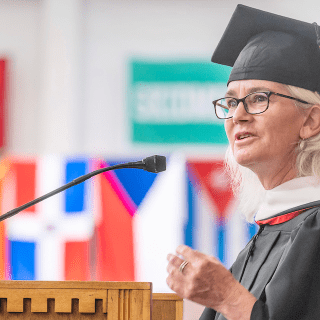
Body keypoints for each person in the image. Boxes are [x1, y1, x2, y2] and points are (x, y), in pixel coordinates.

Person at [166, 4, 320, 320]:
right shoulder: (268, 231)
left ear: (311, 119)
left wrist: (229, 298)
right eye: (232, 101)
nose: (238, 115)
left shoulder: (314, 228)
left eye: (259, 98)